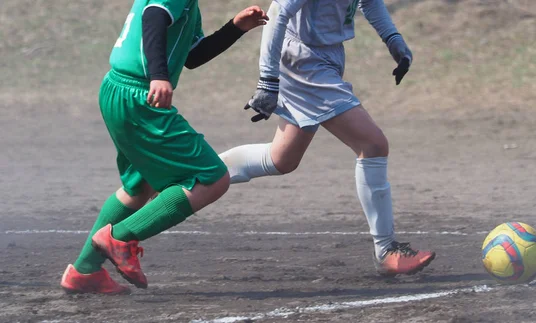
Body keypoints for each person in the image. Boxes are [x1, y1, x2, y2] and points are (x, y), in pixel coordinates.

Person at [60, 0, 268, 295]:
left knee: (139, 185)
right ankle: (120, 238)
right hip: (140, 96)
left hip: (118, 90)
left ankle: (84, 271)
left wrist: (235, 28)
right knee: (212, 178)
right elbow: (154, 17)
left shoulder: (189, 6)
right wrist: (158, 75)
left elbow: (192, 56)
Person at [219, 0, 435, 277]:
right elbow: (278, 12)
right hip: (304, 62)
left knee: (281, 159)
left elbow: (368, 2)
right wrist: (267, 82)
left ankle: (196, 173)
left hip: (327, 56)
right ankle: (386, 250)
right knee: (373, 145)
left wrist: (394, 40)